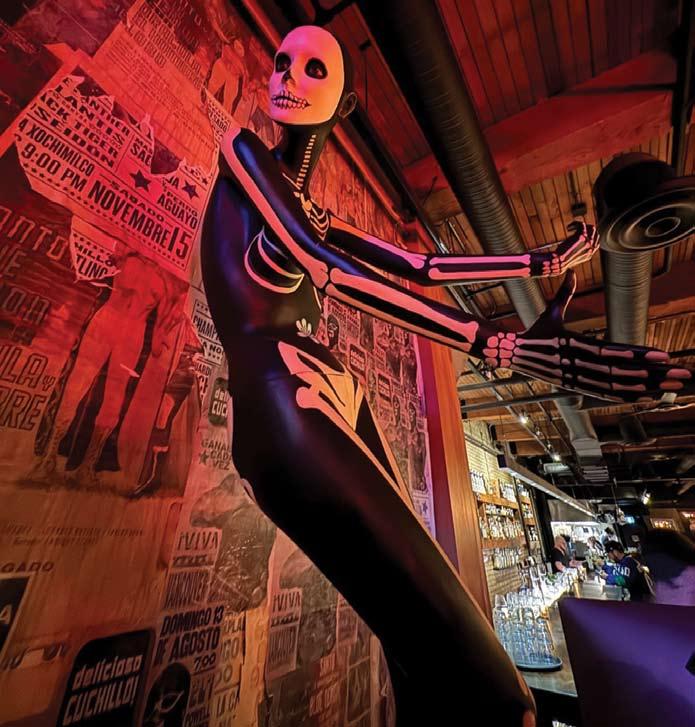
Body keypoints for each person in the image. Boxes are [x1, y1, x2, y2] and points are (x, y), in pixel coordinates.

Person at [200, 24, 692, 725]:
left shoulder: (308, 209)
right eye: (282, 64)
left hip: (331, 392)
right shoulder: (245, 154)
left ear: (344, 104)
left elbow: (421, 267)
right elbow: (322, 264)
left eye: (312, 70)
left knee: (422, 668)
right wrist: (493, 342)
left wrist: (534, 262)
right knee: (497, 694)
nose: (286, 78)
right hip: (285, 398)